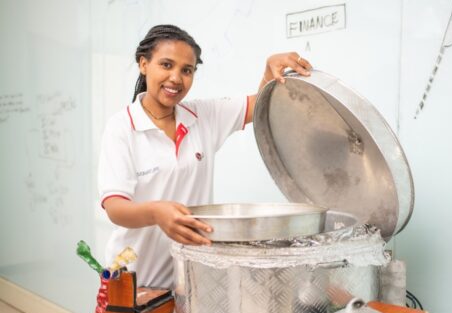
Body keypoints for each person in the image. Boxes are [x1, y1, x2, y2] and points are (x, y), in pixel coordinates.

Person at [98, 24, 312, 288]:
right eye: (166, 65)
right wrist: (156, 212)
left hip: (187, 278)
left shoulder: (203, 117)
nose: (176, 78)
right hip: (132, 280)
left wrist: (269, 71)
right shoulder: (122, 127)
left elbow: (260, 104)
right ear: (144, 64)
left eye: (186, 70)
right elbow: (115, 208)